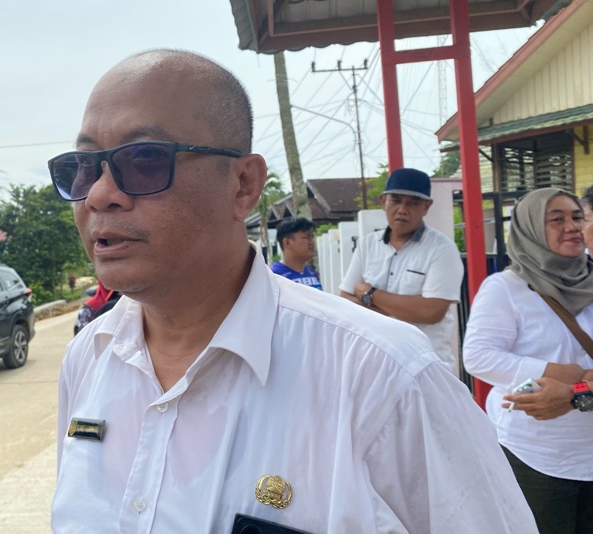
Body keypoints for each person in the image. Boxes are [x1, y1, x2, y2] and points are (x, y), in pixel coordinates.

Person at [49, 49, 537, 533]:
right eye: (83, 167)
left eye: (145, 159)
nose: (99, 194)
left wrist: (369, 297)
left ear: (243, 185)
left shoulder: (384, 380)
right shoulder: (89, 359)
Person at [463, 187, 593, 533]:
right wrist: (561, 373)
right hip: (536, 453)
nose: (572, 226)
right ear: (531, 226)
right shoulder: (507, 288)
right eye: (556, 219)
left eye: (577, 217)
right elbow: (478, 356)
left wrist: (577, 388)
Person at [338, 168, 464, 370]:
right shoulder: (368, 245)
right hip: (375, 363)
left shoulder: (442, 249)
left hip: (424, 366)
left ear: (426, 207)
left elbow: (432, 311)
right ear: (383, 202)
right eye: (396, 200)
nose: (402, 210)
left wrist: (370, 294)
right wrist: (402, 309)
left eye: (413, 203)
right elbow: (345, 300)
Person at [270, 216, 322, 290]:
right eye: (307, 237)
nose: (312, 242)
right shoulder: (273, 275)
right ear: (287, 243)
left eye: (312, 237)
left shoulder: (312, 273)